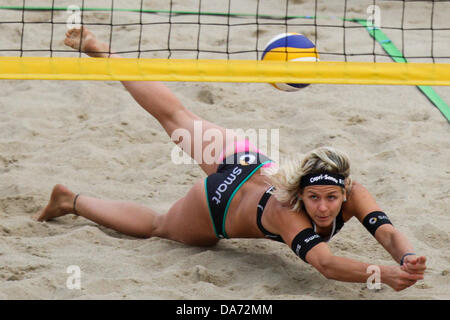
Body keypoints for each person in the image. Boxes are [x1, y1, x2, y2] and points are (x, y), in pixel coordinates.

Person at [35, 27, 427, 292]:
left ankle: (101, 53)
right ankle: (72, 200)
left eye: (330, 198)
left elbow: (388, 232)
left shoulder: (354, 192)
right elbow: (325, 264)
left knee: (179, 117)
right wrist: (383, 274)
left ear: (345, 192)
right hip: (218, 203)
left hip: (248, 162)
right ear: (300, 195)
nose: (323, 207)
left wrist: (406, 256)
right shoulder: (287, 213)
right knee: (158, 223)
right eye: (314, 198)